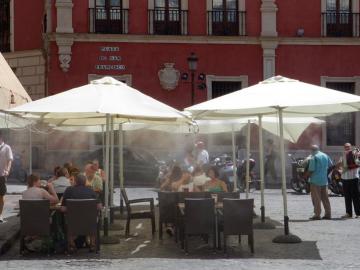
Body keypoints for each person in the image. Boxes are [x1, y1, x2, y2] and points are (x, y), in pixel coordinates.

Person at [61, 174, 102, 252]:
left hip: (73, 221)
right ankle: (92, 244)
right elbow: (99, 207)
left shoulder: (69, 190)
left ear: (75, 182)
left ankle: (72, 244)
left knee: (66, 222)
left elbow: (63, 209)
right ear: (85, 182)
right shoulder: (91, 191)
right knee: (93, 220)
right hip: (89, 222)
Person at [307, 145, 332, 220]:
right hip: (324, 180)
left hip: (315, 180)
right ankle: (328, 214)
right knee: (325, 198)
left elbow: (311, 169)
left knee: (316, 198)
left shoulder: (313, 157)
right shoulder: (325, 155)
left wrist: (306, 176)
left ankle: (317, 215)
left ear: (312, 150)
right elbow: (330, 164)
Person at [338, 143, 360, 218]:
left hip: (354, 178)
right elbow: (340, 165)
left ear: (351, 147)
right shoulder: (343, 156)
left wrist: (348, 166)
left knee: (356, 196)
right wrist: (340, 168)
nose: (347, 148)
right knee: (347, 197)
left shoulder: (355, 154)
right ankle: (348, 213)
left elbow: (358, 164)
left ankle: (358, 213)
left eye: (348, 146)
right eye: (345, 147)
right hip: (345, 179)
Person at [0, 131, 13, 223]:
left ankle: (0, 215)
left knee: (1, 196)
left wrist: (7, 170)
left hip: (2, 175)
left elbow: (10, 160)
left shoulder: (6, 147)